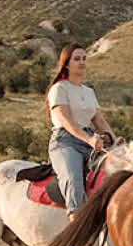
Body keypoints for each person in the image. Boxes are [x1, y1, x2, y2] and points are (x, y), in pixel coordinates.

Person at [46, 45, 116, 212]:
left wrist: (115, 141)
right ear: (66, 64)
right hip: (65, 142)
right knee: (73, 178)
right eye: (77, 59)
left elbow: (100, 121)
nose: (82, 62)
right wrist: (89, 139)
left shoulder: (89, 92)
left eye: (84, 58)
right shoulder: (59, 88)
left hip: (90, 141)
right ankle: (75, 216)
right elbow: (66, 121)